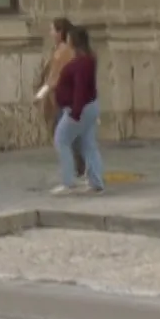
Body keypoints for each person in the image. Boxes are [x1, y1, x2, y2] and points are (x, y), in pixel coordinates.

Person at [51, 25, 106, 195]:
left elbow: (80, 89)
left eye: (69, 40)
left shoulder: (82, 63)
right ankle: (96, 182)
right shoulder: (88, 60)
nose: (67, 43)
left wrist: (75, 112)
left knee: (62, 140)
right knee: (88, 144)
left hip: (79, 109)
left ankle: (68, 183)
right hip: (88, 106)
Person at [35, 16, 85, 179]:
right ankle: (77, 166)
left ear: (60, 32)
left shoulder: (63, 51)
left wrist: (41, 92)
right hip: (61, 97)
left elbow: (56, 76)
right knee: (66, 133)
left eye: (52, 30)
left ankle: (73, 169)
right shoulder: (60, 50)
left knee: (62, 135)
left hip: (63, 98)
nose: (50, 33)